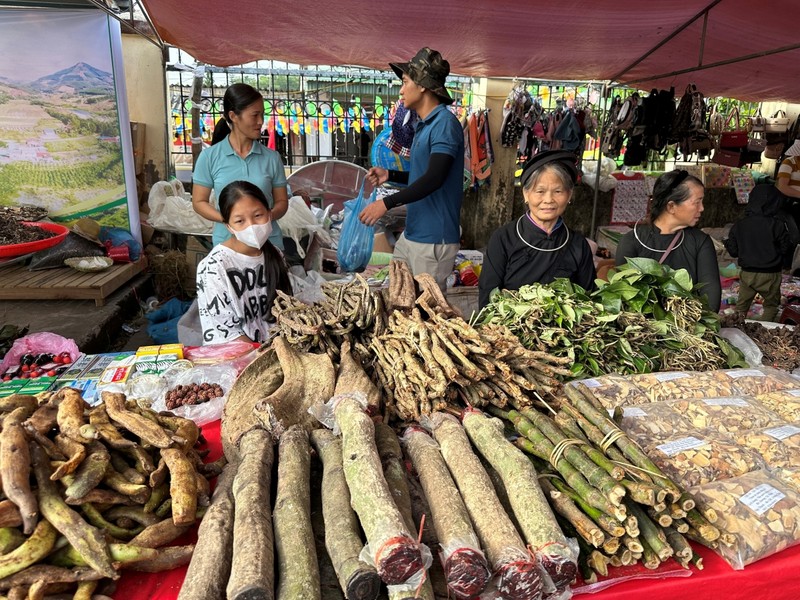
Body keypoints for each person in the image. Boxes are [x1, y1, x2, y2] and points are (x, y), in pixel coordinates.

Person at [358, 47, 464, 291]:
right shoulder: (423, 126)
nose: (401, 90)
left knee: (426, 316)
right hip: (413, 234)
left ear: (423, 85)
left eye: (405, 82)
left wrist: (385, 203)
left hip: (433, 240)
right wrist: (390, 175)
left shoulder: (444, 124)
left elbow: (434, 179)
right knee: (399, 299)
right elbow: (423, 175)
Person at [478, 151, 596, 308]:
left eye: (558, 191)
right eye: (540, 191)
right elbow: (488, 296)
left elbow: (589, 299)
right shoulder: (504, 238)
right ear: (526, 194)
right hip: (509, 329)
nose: (548, 200)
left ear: (569, 195)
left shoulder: (578, 245)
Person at [192, 83, 288, 249]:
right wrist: (228, 219)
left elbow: (282, 202)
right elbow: (199, 202)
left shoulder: (272, 158)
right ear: (234, 116)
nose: (260, 122)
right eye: (255, 115)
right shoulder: (209, 157)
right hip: (227, 245)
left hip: (269, 245)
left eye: (262, 115)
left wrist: (264, 218)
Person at [196, 180, 292, 344]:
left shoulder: (275, 254)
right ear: (228, 226)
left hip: (277, 347)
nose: (252, 226)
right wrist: (266, 355)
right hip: (238, 358)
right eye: (240, 221)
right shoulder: (214, 267)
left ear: (269, 214)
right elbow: (227, 333)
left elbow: (286, 309)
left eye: (258, 215)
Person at [615, 170, 721, 311]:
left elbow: (711, 298)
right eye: (697, 202)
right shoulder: (631, 241)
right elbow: (624, 295)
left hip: (688, 326)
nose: (702, 208)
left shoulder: (700, 242)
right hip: (643, 329)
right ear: (671, 206)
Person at [724, 185, 793, 322]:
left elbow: (733, 252)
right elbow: (786, 248)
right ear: (775, 203)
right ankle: (764, 328)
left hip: (747, 274)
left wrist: (727, 242)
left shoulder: (739, 225)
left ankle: (738, 328)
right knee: (771, 306)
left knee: (741, 307)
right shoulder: (778, 225)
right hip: (771, 274)